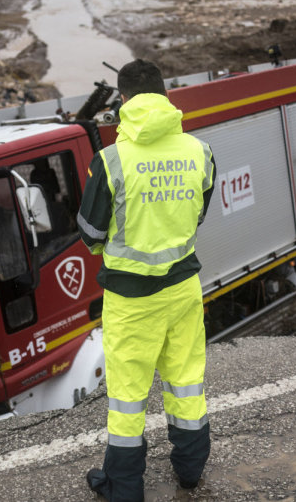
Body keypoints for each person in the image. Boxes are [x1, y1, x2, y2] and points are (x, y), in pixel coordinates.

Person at [78, 59, 216, 501]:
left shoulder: (110, 161)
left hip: (130, 300)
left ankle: (123, 487)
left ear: (122, 100)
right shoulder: (200, 152)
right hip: (182, 291)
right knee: (186, 383)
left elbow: (91, 234)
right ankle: (190, 472)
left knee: (127, 400)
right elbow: (197, 214)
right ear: (165, 95)